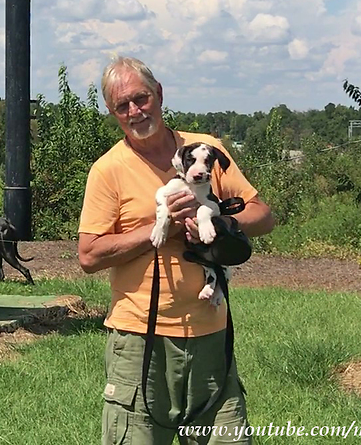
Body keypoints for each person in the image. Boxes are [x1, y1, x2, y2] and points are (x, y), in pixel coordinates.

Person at [78, 56, 274, 445]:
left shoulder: (206, 151)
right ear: (112, 112)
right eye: (123, 106)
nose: (135, 111)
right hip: (139, 340)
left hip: (211, 335)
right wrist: (159, 230)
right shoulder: (108, 169)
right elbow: (89, 255)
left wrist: (220, 224)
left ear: (159, 94)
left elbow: (263, 215)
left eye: (141, 98)